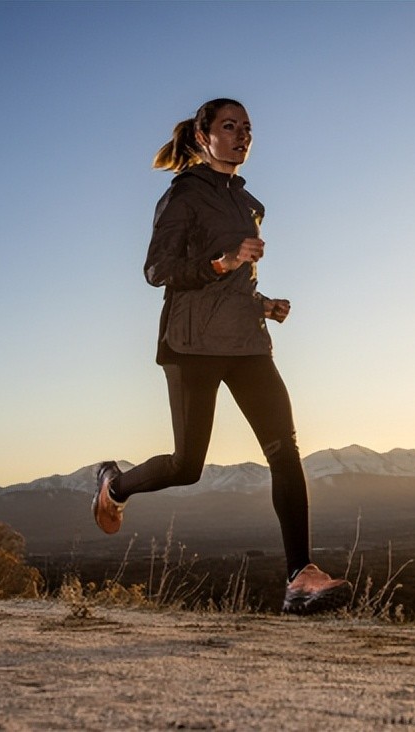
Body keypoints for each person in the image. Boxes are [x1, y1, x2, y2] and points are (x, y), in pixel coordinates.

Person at [93, 98, 352, 615]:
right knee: (188, 466)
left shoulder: (250, 203)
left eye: (248, 128)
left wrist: (263, 302)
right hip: (192, 345)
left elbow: (232, 283)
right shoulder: (183, 195)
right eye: (230, 126)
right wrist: (225, 259)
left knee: (286, 452)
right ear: (202, 133)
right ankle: (114, 485)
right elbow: (158, 270)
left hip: (247, 344)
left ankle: (299, 576)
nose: (242, 135)